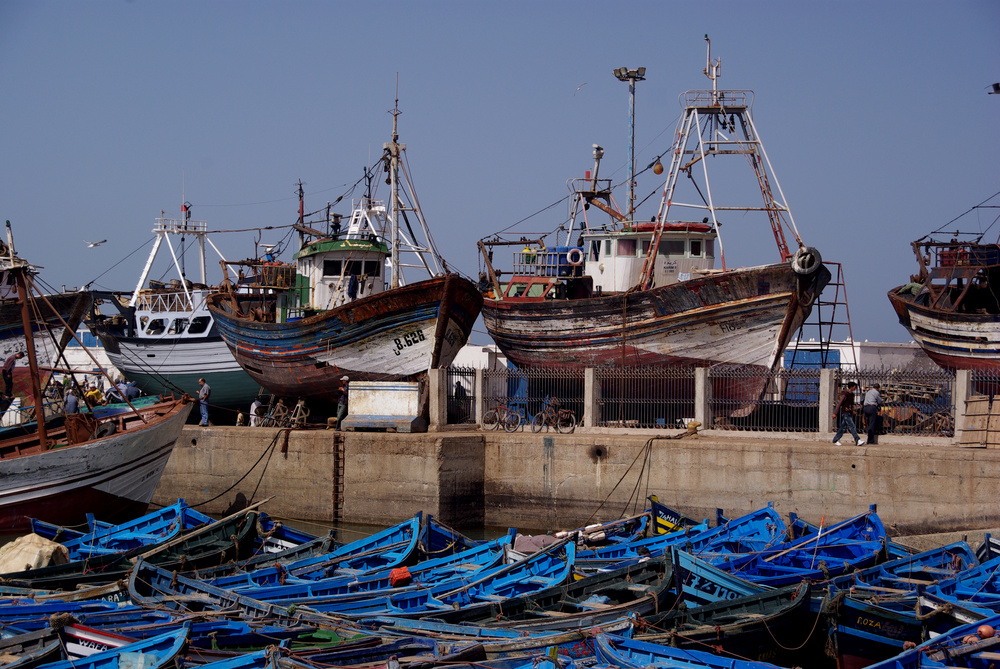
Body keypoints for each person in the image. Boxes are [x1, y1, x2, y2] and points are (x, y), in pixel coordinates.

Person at [832, 381, 864, 446]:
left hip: (849, 412)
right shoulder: (845, 394)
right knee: (852, 426)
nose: (855, 388)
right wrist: (835, 413)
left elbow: (851, 404)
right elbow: (839, 404)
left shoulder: (851, 395)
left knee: (843, 427)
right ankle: (857, 440)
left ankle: (835, 439)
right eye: (854, 387)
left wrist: (853, 410)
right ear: (851, 387)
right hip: (845, 412)